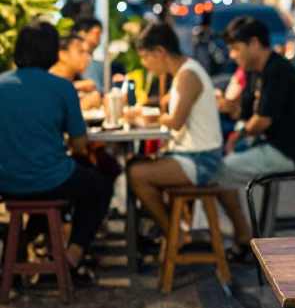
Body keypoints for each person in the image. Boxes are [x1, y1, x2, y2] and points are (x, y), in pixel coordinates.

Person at [0, 21, 112, 283]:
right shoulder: (61, 87)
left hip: (6, 182)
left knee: (62, 180)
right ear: (52, 52)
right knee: (100, 187)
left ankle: (22, 257)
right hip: (50, 179)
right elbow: (80, 144)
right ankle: (70, 258)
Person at [215, 17, 295, 257]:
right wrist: (226, 106)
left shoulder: (277, 70)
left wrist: (237, 134)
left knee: (214, 174)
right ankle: (241, 234)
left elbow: (261, 122)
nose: (232, 55)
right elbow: (245, 113)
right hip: (265, 145)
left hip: (285, 152)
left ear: (255, 43)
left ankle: (243, 236)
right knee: (214, 164)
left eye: (236, 48)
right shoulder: (254, 71)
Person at [127, 23, 224, 247]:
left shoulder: (188, 74)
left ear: (159, 52)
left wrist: (147, 119)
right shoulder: (183, 72)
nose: (144, 63)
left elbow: (176, 121)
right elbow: (167, 107)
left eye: (145, 57)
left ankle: (172, 233)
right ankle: (171, 229)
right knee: (136, 166)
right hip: (191, 154)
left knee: (136, 173)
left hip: (201, 160)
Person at [50, 30, 103, 110]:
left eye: (87, 53)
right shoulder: (47, 81)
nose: (87, 57)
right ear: (63, 55)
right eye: (80, 52)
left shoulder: (78, 78)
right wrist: (84, 104)